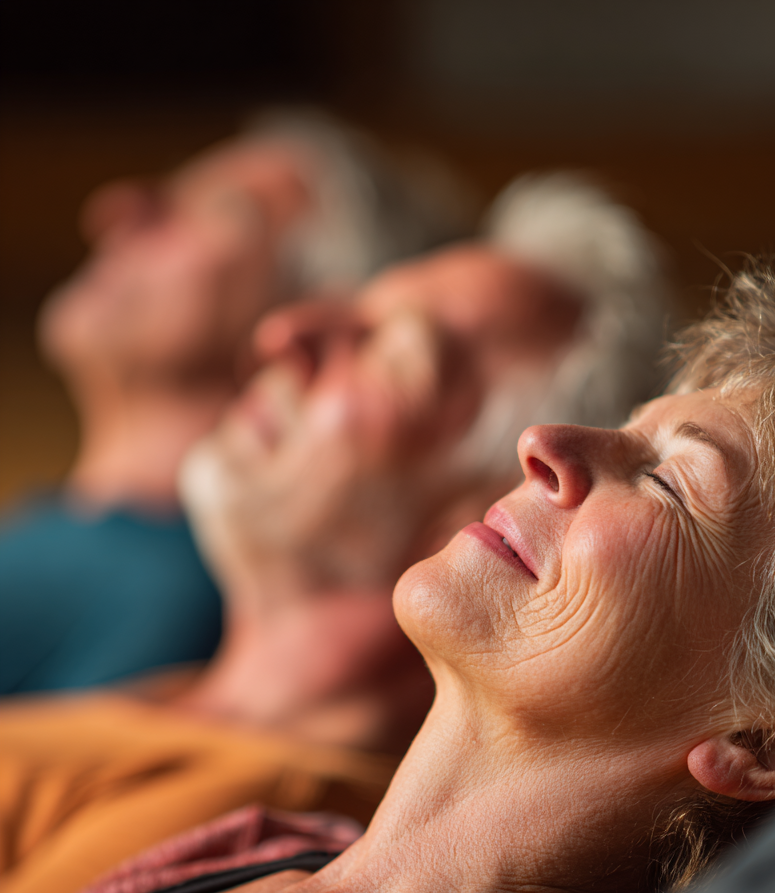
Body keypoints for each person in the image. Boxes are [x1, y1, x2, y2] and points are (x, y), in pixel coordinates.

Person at [3, 258, 775, 893]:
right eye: (626, 425)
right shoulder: (251, 844)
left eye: (668, 479)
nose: (547, 442)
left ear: (766, 737)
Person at [0, 174, 669, 893]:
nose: (287, 332)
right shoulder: (180, 705)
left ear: (483, 511)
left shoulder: (254, 820)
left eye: (390, 352)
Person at [0, 109, 470, 696]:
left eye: (220, 208)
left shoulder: (183, 600)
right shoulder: (63, 538)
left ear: (311, 324)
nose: (120, 207)